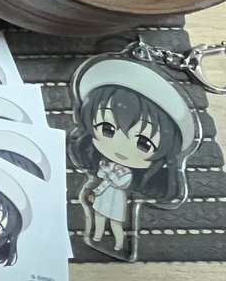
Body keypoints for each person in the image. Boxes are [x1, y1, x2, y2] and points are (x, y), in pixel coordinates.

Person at [70, 57, 198, 256]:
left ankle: (119, 245)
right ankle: (96, 237)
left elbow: (121, 182)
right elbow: (102, 177)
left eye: (144, 143)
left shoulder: (126, 174)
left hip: (116, 199)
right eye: (107, 129)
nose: (120, 147)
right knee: (99, 217)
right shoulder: (103, 164)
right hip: (102, 195)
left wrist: (106, 179)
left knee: (116, 223)